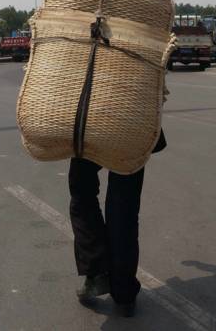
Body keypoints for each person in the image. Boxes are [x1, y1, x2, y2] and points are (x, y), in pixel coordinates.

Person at [69, 129, 166, 317]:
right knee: (124, 206)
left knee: (82, 190)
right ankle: (124, 294)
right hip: (134, 123)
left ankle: (96, 272)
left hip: (94, 120)